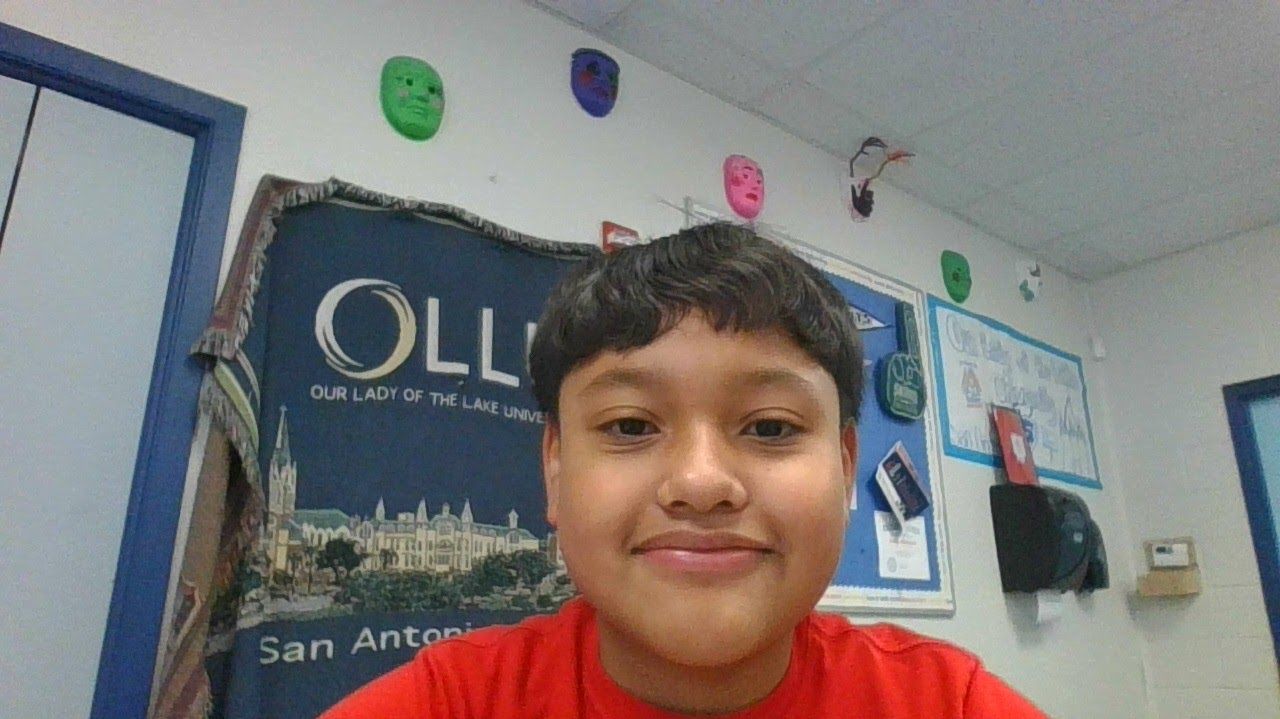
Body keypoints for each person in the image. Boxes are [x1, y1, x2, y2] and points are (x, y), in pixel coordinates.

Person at [321, 223, 1046, 718]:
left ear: (847, 467)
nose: (701, 482)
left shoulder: (943, 703)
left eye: (769, 427)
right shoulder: (450, 703)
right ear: (554, 466)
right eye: (631, 426)